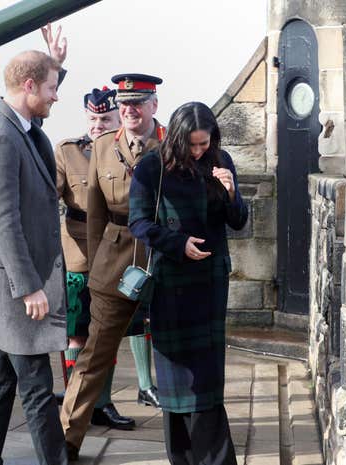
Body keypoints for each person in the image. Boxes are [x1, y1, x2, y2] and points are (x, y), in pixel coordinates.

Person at [128, 101, 248, 465]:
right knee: (178, 378)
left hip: (209, 284)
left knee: (208, 378)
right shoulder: (152, 167)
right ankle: (183, 458)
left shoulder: (220, 160)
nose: (199, 151)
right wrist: (177, 243)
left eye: (204, 144)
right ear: (178, 138)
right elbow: (139, 223)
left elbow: (238, 221)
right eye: (192, 145)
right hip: (171, 285)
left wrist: (231, 193)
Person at [0, 25, 69, 465]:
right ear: (29, 86)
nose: (56, 96)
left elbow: (40, 93)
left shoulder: (21, 123)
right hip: (15, 290)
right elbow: (2, 220)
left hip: (9, 290)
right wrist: (29, 286)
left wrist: (56, 63)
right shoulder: (0, 135)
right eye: (51, 88)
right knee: (36, 389)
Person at [60, 73, 165, 460]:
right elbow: (95, 214)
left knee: (172, 355)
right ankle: (66, 441)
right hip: (114, 261)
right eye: (124, 104)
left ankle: (186, 441)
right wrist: (96, 263)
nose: (129, 109)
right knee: (93, 356)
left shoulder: (172, 144)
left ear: (154, 105)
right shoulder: (104, 147)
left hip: (163, 260)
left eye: (137, 102)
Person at [54, 86, 137, 430]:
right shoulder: (68, 152)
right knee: (77, 334)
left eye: (105, 118)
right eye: (92, 119)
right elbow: (49, 198)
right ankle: (76, 402)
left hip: (115, 252)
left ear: (118, 117)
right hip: (79, 256)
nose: (97, 125)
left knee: (108, 333)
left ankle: (102, 403)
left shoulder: (128, 150)